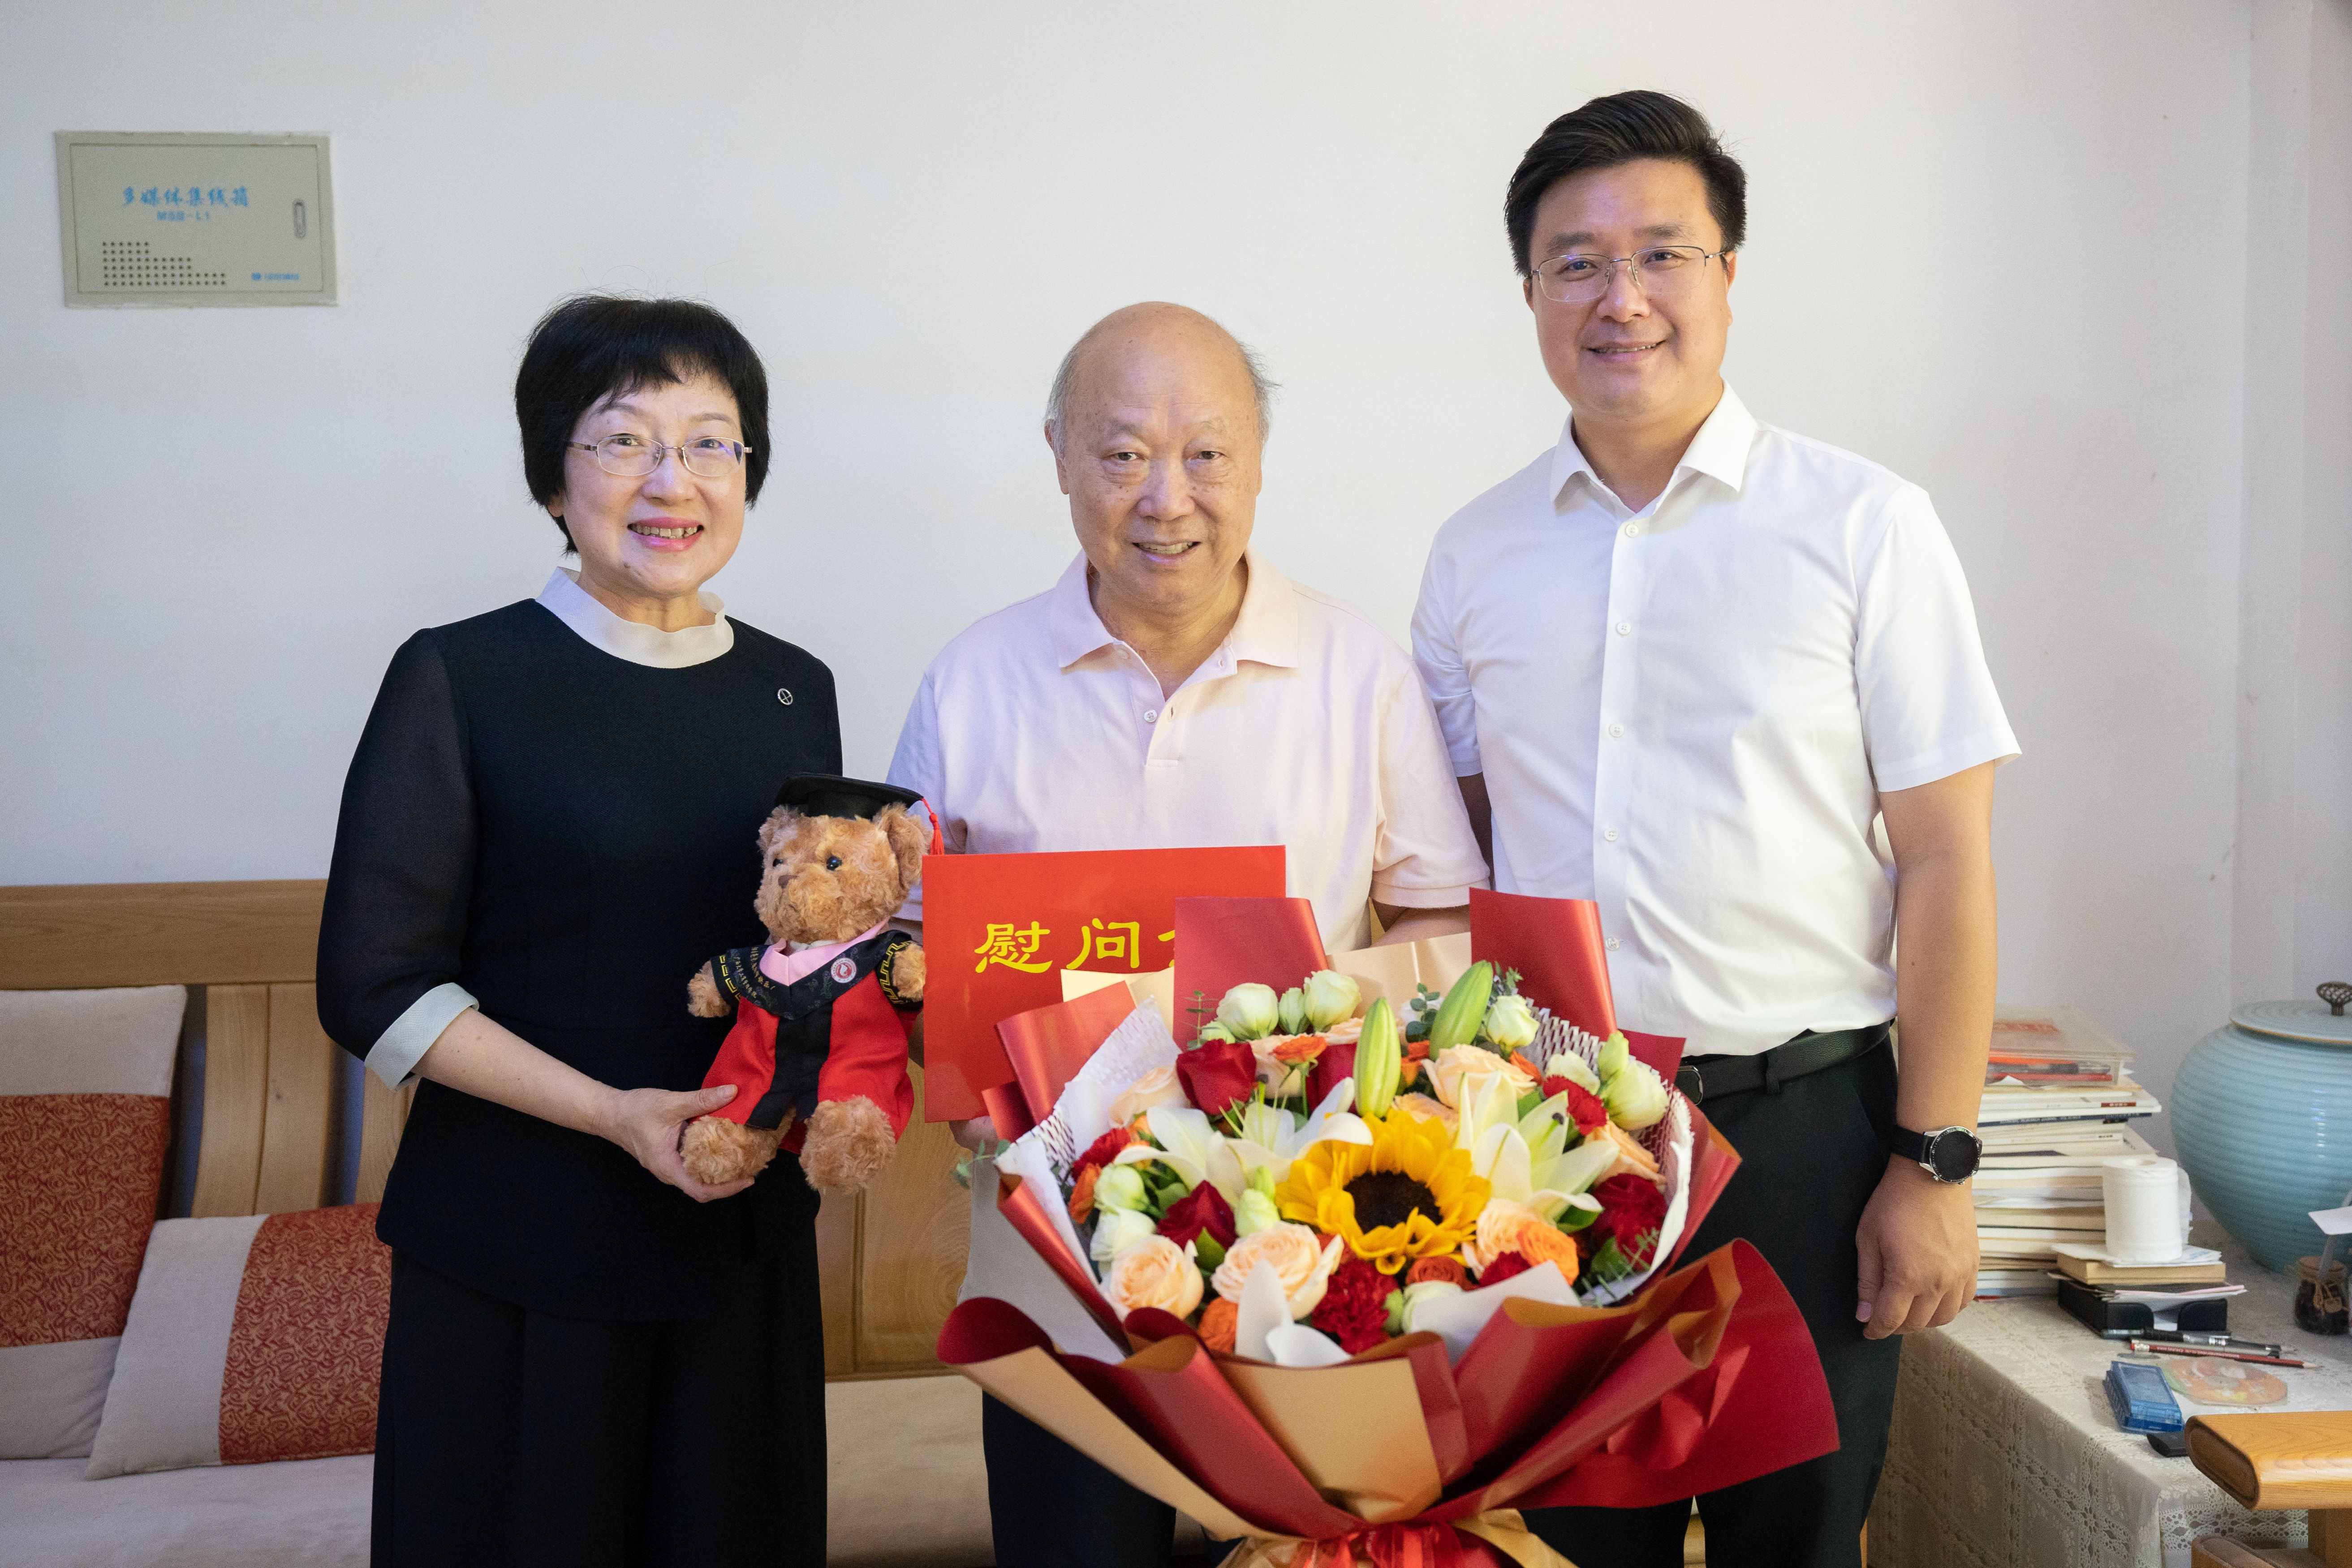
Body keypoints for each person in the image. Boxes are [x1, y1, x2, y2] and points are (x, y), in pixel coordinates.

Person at [1410, 93, 2016, 1568]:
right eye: (1575, 262)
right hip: (1554, 1144)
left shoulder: (1863, 524)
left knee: (1793, 1545)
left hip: (1805, 1141)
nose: (1619, 297)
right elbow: (1455, 866)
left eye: (1660, 254)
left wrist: (1932, 1162)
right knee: (1571, 1546)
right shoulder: (1474, 553)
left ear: (1727, 275)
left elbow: (1944, 858)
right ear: (1530, 293)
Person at [887, 301, 1489, 1568]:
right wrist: (963, 1077)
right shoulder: (973, 681)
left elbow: (1439, 909)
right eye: (1122, 453)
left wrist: (1345, 1052)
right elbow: (907, 941)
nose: (1167, 499)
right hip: (1051, 1251)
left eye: (1206, 453)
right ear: (1059, 455)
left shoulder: (1356, 670)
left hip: (1305, 1250)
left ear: (1258, 462)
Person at [317, 295, 839, 1568]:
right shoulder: (462, 676)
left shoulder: (793, 688)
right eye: (624, 441)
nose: (673, 481)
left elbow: (803, 940)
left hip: (734, 1243)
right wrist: (611, 1115)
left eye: (711, 443)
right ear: (554, 476)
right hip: (520, 1251)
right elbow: (375, 984)